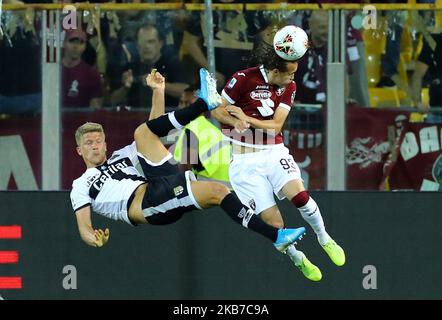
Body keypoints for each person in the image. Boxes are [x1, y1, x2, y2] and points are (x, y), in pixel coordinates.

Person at [70, 68, 305, 256]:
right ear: (79, 150)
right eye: (89, 143)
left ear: (105, 144)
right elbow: (83, 228)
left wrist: (158, 91)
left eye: (98, 141)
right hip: (147, 204)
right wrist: (94, 239)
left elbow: (153, 130)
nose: (95, 145)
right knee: (215, 188)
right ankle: (204, 104)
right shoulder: (80, 184)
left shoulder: (119, 157)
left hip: (159, 183)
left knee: (217, 190)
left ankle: (278, 237)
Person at [211, 41, 346, 281]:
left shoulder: (289, 87)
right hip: (244, 164)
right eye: (290, 73)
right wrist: (234, 122)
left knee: (301, 197)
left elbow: (275, 127)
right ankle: (299, 259)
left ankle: (324, 237)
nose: (293, 78)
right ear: (275, 71)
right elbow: (217, 110)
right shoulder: (242, 79)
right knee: (274, 223)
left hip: (274, 152)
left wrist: (247, 119)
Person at [110, 24, 188, 109]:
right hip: (136, 118)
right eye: (142, 42)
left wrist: (159, 85)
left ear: (160, 43)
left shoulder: (172, 64)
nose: (146, 47)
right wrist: (125, 88)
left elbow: (186, 92)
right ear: (137, 45)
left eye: (151, 42)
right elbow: (112, 100)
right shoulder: (129, 69)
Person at [62, 29, 104, 109]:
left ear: (85, 47)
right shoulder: (54, 71)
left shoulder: (91, 74)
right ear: (64, 43)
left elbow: (96, 108)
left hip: (81, 120)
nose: (75, 46)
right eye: (72, 41)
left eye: (80, 43)